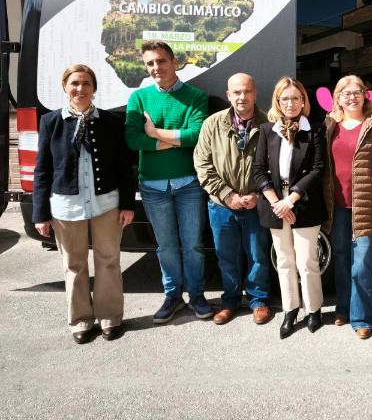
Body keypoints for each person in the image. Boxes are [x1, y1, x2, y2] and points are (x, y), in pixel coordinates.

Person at [32, 64, 136, 343]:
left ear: (94, 88)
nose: (80, 88)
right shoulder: (51, 122)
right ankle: (80, 320)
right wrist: (40, 213)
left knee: (109, 260)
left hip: (107, 204)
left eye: (86, 83)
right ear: (65, 87)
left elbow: (124, 167)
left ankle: (110, 316)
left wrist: (127, 203)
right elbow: (42, 170)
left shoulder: (111, 122)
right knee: (74, 264)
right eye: (75, 83)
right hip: (66, 207)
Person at [124, 40, 212, 324]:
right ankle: (173, 296)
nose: (155, 68)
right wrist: (169, 141)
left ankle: (196, 295)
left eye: (161, 61)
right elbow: (132, 138)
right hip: (153, 187)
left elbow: (195, 135)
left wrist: (154, 132)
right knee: (166, 247)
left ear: (174, 62)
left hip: (189, 185)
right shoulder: (138, 98)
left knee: (193, 245)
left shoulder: (196, 97)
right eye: (150, 63)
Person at [193, 73, 272, 326]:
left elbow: (278, 165)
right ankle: (230, 301)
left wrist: (258, 195)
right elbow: (203, 164)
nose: (242, 97)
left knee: (257, 255)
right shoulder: (212, 124)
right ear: (228, 95)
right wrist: (228, 195)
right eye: (236, 92)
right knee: (226, 256)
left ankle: (258, 301)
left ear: (255, 93)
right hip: (221, 205)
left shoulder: (268, 123)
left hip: (256, 204)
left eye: (247, 91)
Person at [321, 75, 372, 340]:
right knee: (341, 259)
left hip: (366, 204)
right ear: (338, 98)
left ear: (365, 95)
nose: (351, 97)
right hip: (337, 205)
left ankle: (362, 317)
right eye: (345, 92)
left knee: (362, 263)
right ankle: (343, 309)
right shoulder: (331, 124)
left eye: (356, 92)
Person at [253, 77, 327, 339]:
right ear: (278, 101)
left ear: (303, 101)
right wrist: (277, 202)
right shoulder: (266, 130)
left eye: (296, 98)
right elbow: (258, 171)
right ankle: (290, 309)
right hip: (275, 202)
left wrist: (290, 200)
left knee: (307, 260)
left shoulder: (315, 129)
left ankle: (314, 309)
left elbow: (318, 169)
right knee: (284, 260)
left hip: (302, 201)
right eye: (285, 98)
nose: (291, 103)